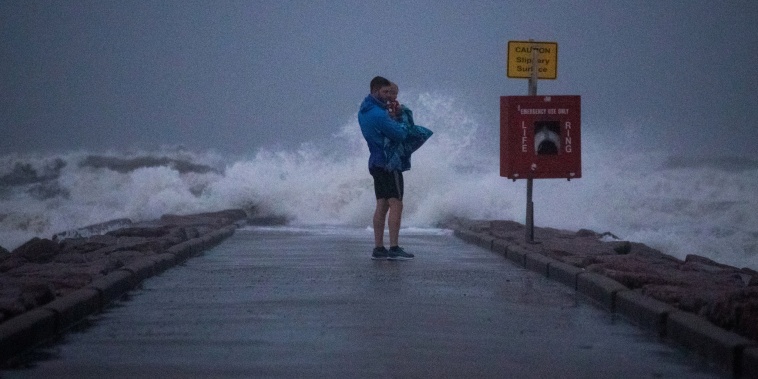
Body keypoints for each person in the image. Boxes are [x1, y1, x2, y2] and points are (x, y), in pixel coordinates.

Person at [358, 76, 414, 260]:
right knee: (396, 203)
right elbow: (400, 134)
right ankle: (394, 248)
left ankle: (379, 248)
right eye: (385, 92)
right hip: (389, 163)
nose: (389, 95)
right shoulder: (378, 114)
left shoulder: (364, 110)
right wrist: (400, 118)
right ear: (375, 91)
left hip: (375, 163)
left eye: (390, 92)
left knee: (382, 204)